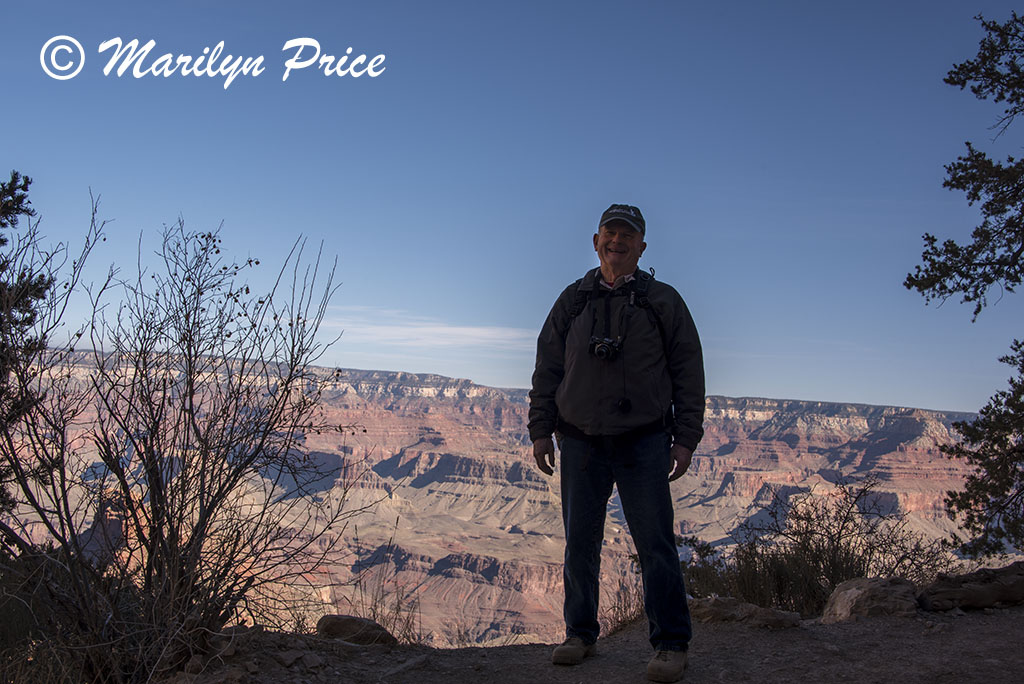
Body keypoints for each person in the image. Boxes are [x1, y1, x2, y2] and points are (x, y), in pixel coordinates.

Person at [528, 203, 705, 683]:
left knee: (655, 544)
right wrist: (540, 429)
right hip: (580, 442)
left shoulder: (662, 300)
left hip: (644, 441)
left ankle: (670, 643)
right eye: (610, 233)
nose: (617, 242)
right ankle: (579, 634)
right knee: (579, 544)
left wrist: (686, 437)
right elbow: (547, 368)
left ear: (642, 247)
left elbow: (689, 373)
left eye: (627, 236)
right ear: (595, 241)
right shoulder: (573, 300)